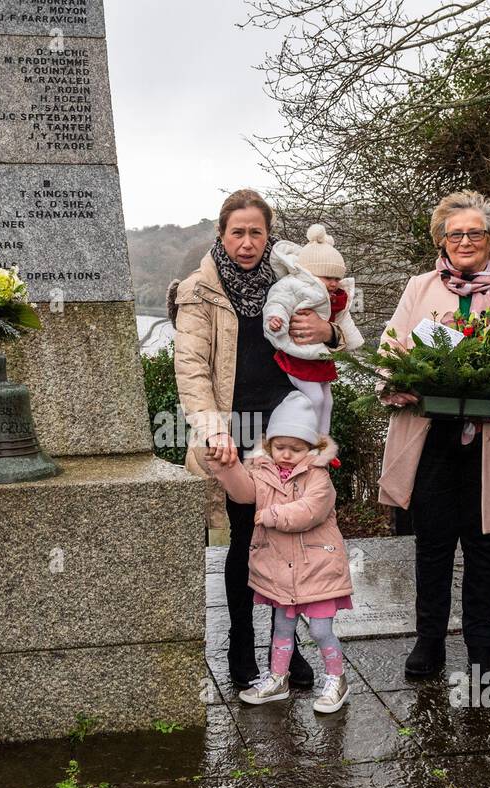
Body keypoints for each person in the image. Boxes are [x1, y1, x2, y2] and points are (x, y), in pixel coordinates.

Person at [173, 190, 350, 690]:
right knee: (245, 539)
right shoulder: (198, 291)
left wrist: (329, 332)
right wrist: (212, 429)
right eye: (237, 232)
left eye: (256, 232)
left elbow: (338, 335)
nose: (247, 243)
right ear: (221, 234)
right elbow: (190, 368)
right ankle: (239, 646)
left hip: (288, 428)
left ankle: (286, 650)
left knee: (288, 538)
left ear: (268, 234)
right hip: (234, 429)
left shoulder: (290, 280)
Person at [376, 191, 490, 685]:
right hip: (429, 434)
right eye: (455, 233)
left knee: (485, 545)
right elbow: (390, 348)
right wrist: (397, 384)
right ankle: (428, 640)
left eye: (476, 233)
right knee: (430, 543)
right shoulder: (419, 286)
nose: (465, 241)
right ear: (442, 240)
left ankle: (482, 646)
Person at [194, 391, 354, 713]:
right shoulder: (264, 472)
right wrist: (227, 468)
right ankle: (278, 677)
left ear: (311, 448)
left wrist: (271, 516)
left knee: (321, 630)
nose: (286, 455)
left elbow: (310, 510)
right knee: (282, 628)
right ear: (270, 444)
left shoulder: (318, 477)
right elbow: (245, 493)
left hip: (318, 568)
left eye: (295, 449)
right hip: (283, 571)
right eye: (280, 447)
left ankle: (337, 679)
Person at [263, 224, 365, 436]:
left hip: (319, 357)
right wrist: (276, 320)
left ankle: (322, 441)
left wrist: (352, 342)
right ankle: (307, 439)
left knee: (327, 401)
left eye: (337, 278)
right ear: (311, 273)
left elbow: (343, 320)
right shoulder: (293, 285)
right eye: (328, 278)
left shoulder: (337, 297)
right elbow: (278, 303)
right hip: (297, 356)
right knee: (315, 399)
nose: (334, 283)